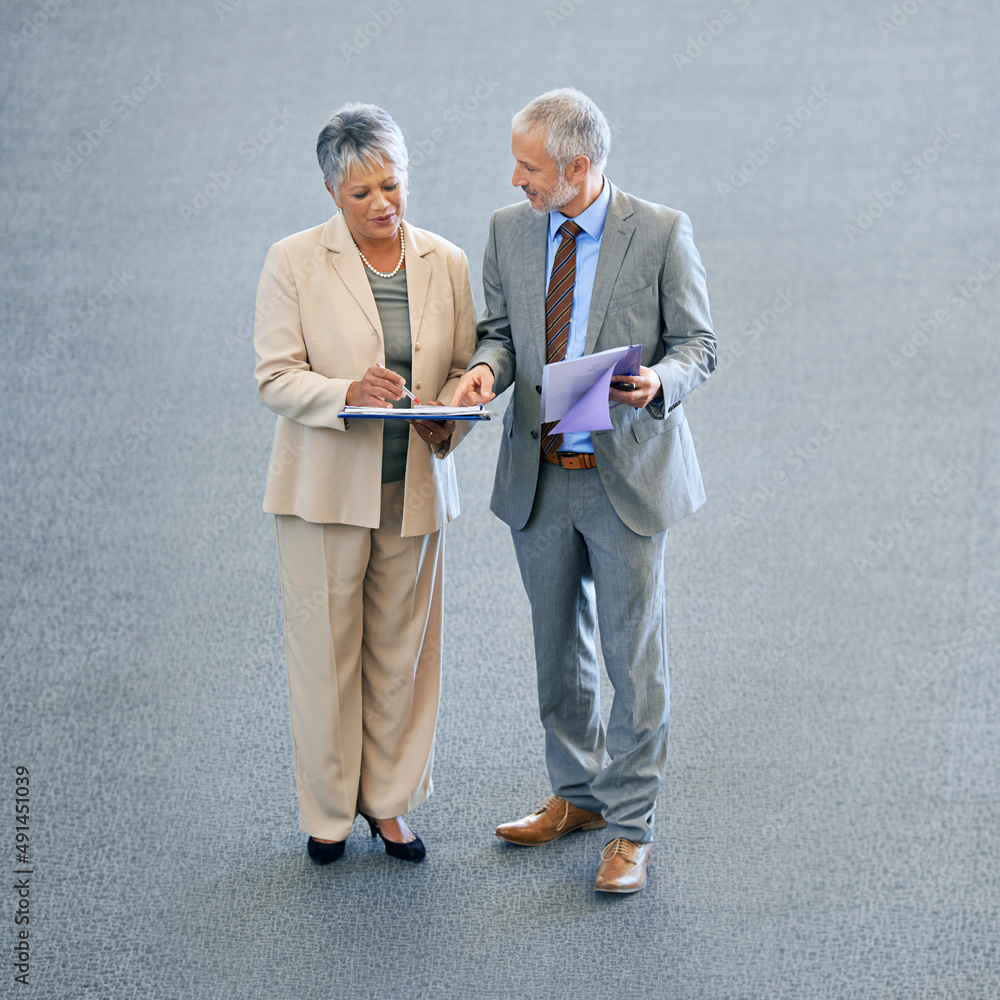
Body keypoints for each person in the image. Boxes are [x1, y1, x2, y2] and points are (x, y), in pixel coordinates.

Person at [452, 88, 716, 893]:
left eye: (529, 168)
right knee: (557, 653)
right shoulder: (508, 231)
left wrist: (657, 384)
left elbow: (698, 345)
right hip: (540, 478)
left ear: (576, 167)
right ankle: (578, 796)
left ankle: (631, 826)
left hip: (624, 479)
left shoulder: (662, 233)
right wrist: (483, 371)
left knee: (634, 659)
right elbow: (498, 332)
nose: (515, 180)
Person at [254, 103, 476, 864]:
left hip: (412, 489)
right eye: (361, 194)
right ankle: (326, 812)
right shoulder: (292, 261)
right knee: (325, 654)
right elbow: (276, 378)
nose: (383, 204)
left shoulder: (446, 261)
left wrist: (452, 414)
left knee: (401, 656)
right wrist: (348, 392)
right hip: (322, 494)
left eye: (393, 184)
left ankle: (388, 804)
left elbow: (462, 371)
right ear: (330, 195)